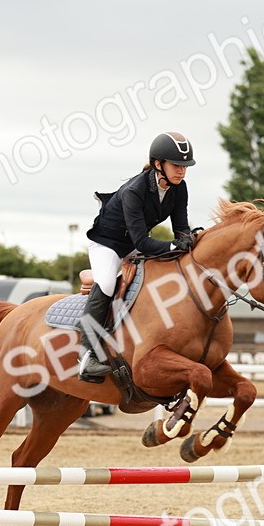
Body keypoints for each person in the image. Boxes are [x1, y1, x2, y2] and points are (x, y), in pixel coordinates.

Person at [78, 131, 197, 381]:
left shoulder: (179, 188)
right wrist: (176, 246)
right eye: (177, 165)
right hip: (107, 244)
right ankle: (86, 355)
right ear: (158, 164)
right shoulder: (135, 190)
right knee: (108, 283)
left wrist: (188, 240)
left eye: (185, 166)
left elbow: (181, 228)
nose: (182, 171)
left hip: (133, 243)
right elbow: (143, 242)